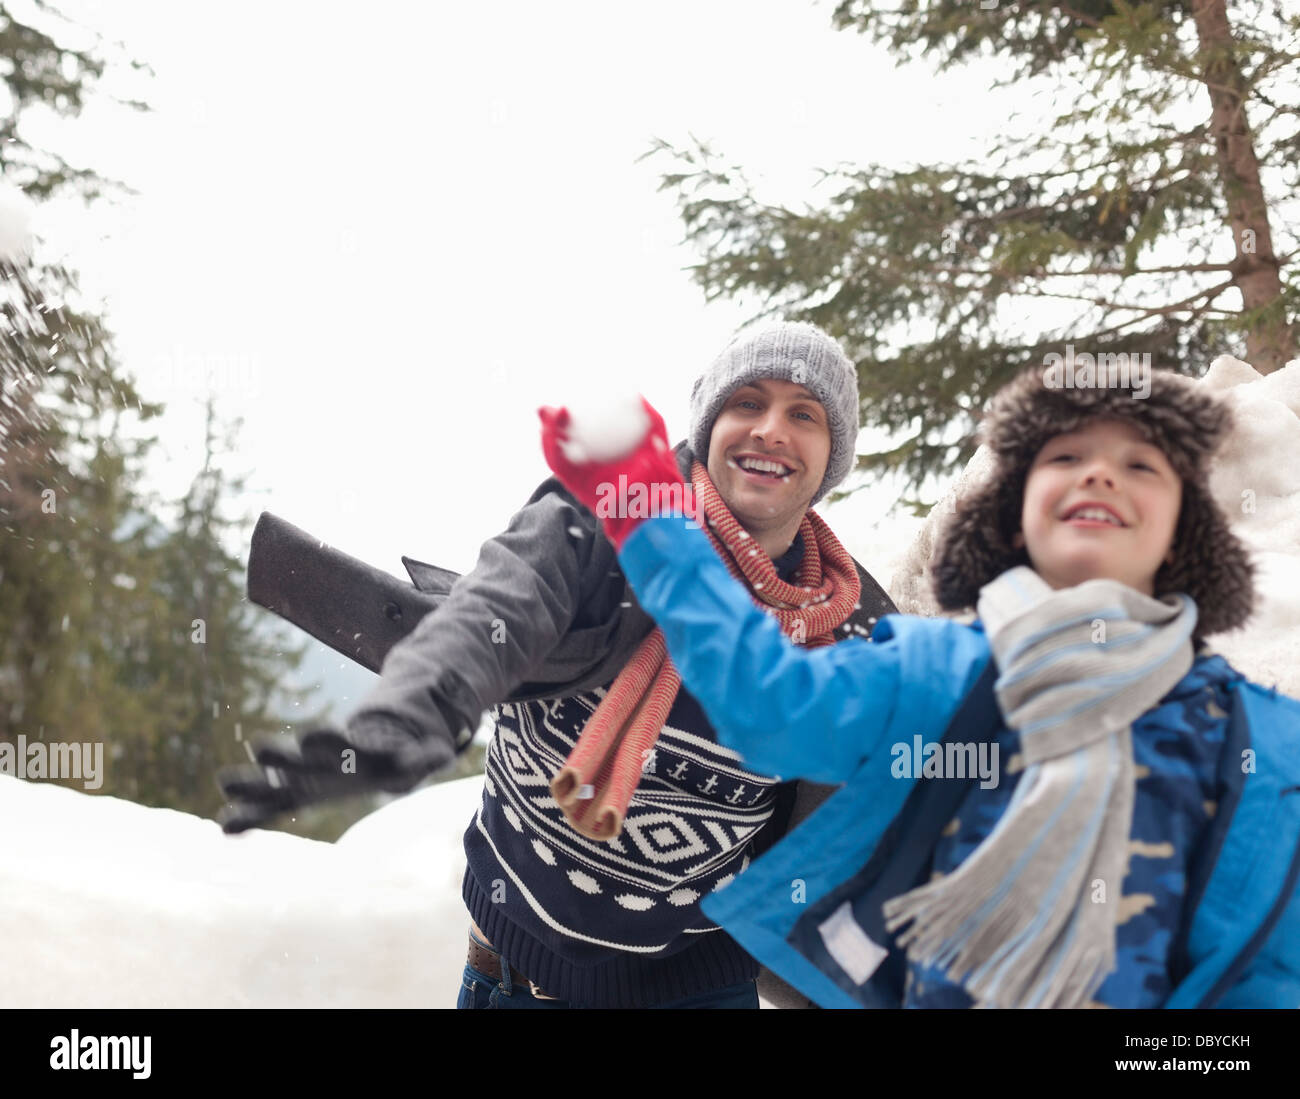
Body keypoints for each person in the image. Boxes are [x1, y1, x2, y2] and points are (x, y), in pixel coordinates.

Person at [539, 365, 1300, 1008]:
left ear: (1184, 526)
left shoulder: (1267, 739)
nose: (1099, 472)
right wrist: (641, 501)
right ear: (1012, 518)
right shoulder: (927, 674)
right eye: (1064, 457)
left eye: (1142, 464)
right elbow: (762, 697)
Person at [218, 322, 898, 1009]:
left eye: (804, 414)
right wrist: (411, 711)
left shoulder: (856, 636)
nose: (771, 430)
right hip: (514, 975)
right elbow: (500, 603)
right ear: (709, 421)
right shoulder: (607, 514)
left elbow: (832, 854)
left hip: (698, 988)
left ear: (831, 453)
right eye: (748, 402)